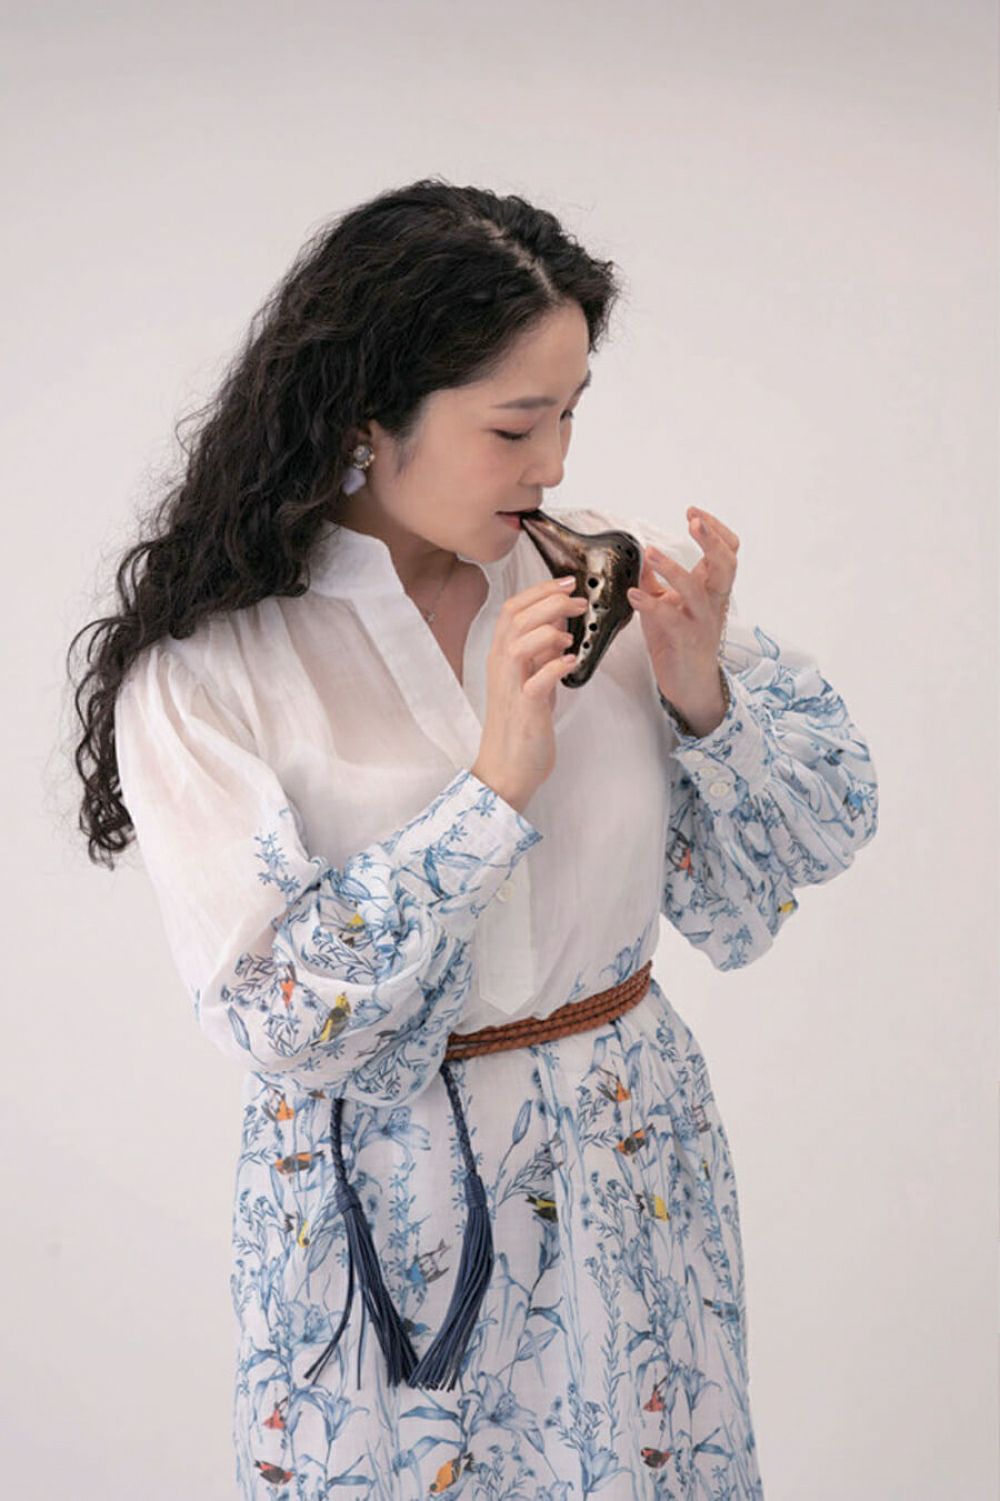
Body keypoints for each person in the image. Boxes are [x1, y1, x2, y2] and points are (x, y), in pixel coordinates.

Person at [67, 178, 878, 1500]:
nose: (551, 463)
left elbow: (799, 848)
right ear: (366, 414)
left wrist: (702, 696)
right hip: (386, 1220)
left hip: (630, 1168)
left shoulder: (598, 592)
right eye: (512, 425)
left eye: (569, 413)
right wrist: (493, 787)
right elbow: (282, 1013)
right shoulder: (212, 672)